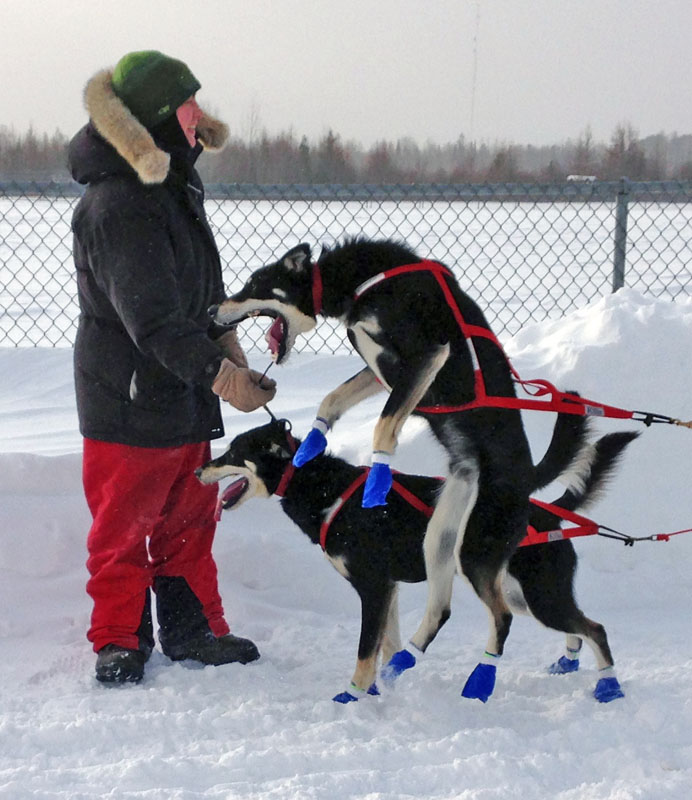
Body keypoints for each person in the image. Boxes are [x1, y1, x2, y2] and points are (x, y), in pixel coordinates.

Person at [68, 50, 277, 684]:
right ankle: (119, 640)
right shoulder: (119, 205)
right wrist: (222, 377)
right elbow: (153, 320)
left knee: (190, 521)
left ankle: (192, 632)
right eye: (187, 104)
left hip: (181, 392)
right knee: (125, 530)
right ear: (158, 117)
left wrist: (228, 342)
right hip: (129, 400)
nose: (199, 114)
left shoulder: (172, 186)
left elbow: (195, 296)